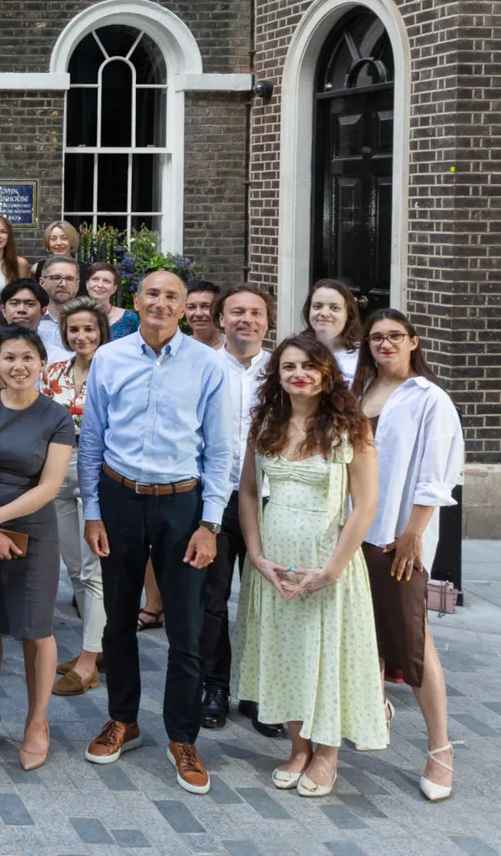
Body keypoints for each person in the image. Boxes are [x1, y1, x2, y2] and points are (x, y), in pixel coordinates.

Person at [77, 270, 234, 795]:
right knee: (117, 620)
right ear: (136, 301)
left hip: (182, 506)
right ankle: (124, 718)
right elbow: (92, 442)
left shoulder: (209, 366)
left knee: (186, 629)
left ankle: (182, 736)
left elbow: (220, 453)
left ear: (187, 306)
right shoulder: (109, 358)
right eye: (153, 294)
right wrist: (93, 512)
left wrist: (210, 523)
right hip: (120, 499)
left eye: (172, 297)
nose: (161, 304)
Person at [231, 334, 385, 798]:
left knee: (327, 656)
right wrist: (256, 555)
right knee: (287, 654)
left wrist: (335, 568)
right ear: (276, 376)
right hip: (275, 563)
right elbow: (249, 493)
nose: (298, 373)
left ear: (325, 374)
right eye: (288, 366)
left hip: (328, 565)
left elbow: (365, 505)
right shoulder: (267, 425)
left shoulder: (350, 428)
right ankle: (298, 747)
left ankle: (328, 753)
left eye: (309, 366)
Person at [354, 309, 463, 801]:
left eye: (395, 336)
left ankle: (440, 749)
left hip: (398, 536)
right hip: (354, 532)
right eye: (377, 338)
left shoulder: (430, 398)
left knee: (414, 638)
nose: (386, 344)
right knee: (365, 626)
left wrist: (414, 533)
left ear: (413, 341)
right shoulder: (358, 393)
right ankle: (375, 704)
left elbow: (437, 474)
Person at [0, 328, 75, 771]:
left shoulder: (56, 416)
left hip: (32, 526)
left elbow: (50, 485)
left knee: (35, 627)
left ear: (42, 363)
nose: (18, 366)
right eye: (9, 358)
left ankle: (37, 722)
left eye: (28, 357)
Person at [201, 283, 280, 734]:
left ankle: (257, 691)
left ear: (267, 321)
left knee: (263, 600)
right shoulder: (204, 366)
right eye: (237, 312)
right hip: (215, 497)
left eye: (255, 312)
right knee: (211, 599)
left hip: (272, 499)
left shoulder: (283, 369)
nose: (246, 319)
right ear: (221, 319)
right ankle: (215, 686)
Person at [39, 297, 109, 698]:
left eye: (89, 329)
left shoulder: (113, 370)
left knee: (93, 568)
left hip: (96, 469)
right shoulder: (53, 372)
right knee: (74, 566)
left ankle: (88, 661)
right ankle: (97, 646)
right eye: (74, 330)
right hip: (58, 468)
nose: (81, 336)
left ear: (101, 331)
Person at [0, 279, 48, 392]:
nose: (21, 310)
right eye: (14, 303)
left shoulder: (59, 357)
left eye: (30, 304)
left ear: (43, 311)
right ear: (4, 310)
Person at [305, 278, 363, 383]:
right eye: (317, 306)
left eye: (334, 308)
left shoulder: (363, 357)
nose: (324, 313)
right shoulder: (297, 351)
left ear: (348, 315)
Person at [36, 256, 81, 364]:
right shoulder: (31, 320)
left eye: (70, 279)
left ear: (77, 285)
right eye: (56, 277)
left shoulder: (88, 322)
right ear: (42, 283)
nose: (63, 284)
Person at [85, 262, 139, 341]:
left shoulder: (129, 318)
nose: (100, 285)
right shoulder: (74, 315)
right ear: (87, 284)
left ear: (114, 289)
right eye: (95, 279)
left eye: (106, 281)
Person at [185, 279, 223, 349]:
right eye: (191, 307)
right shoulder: (178, 350)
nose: (198, 314)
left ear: (219, 309)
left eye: (206, 306)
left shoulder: (233, 347)